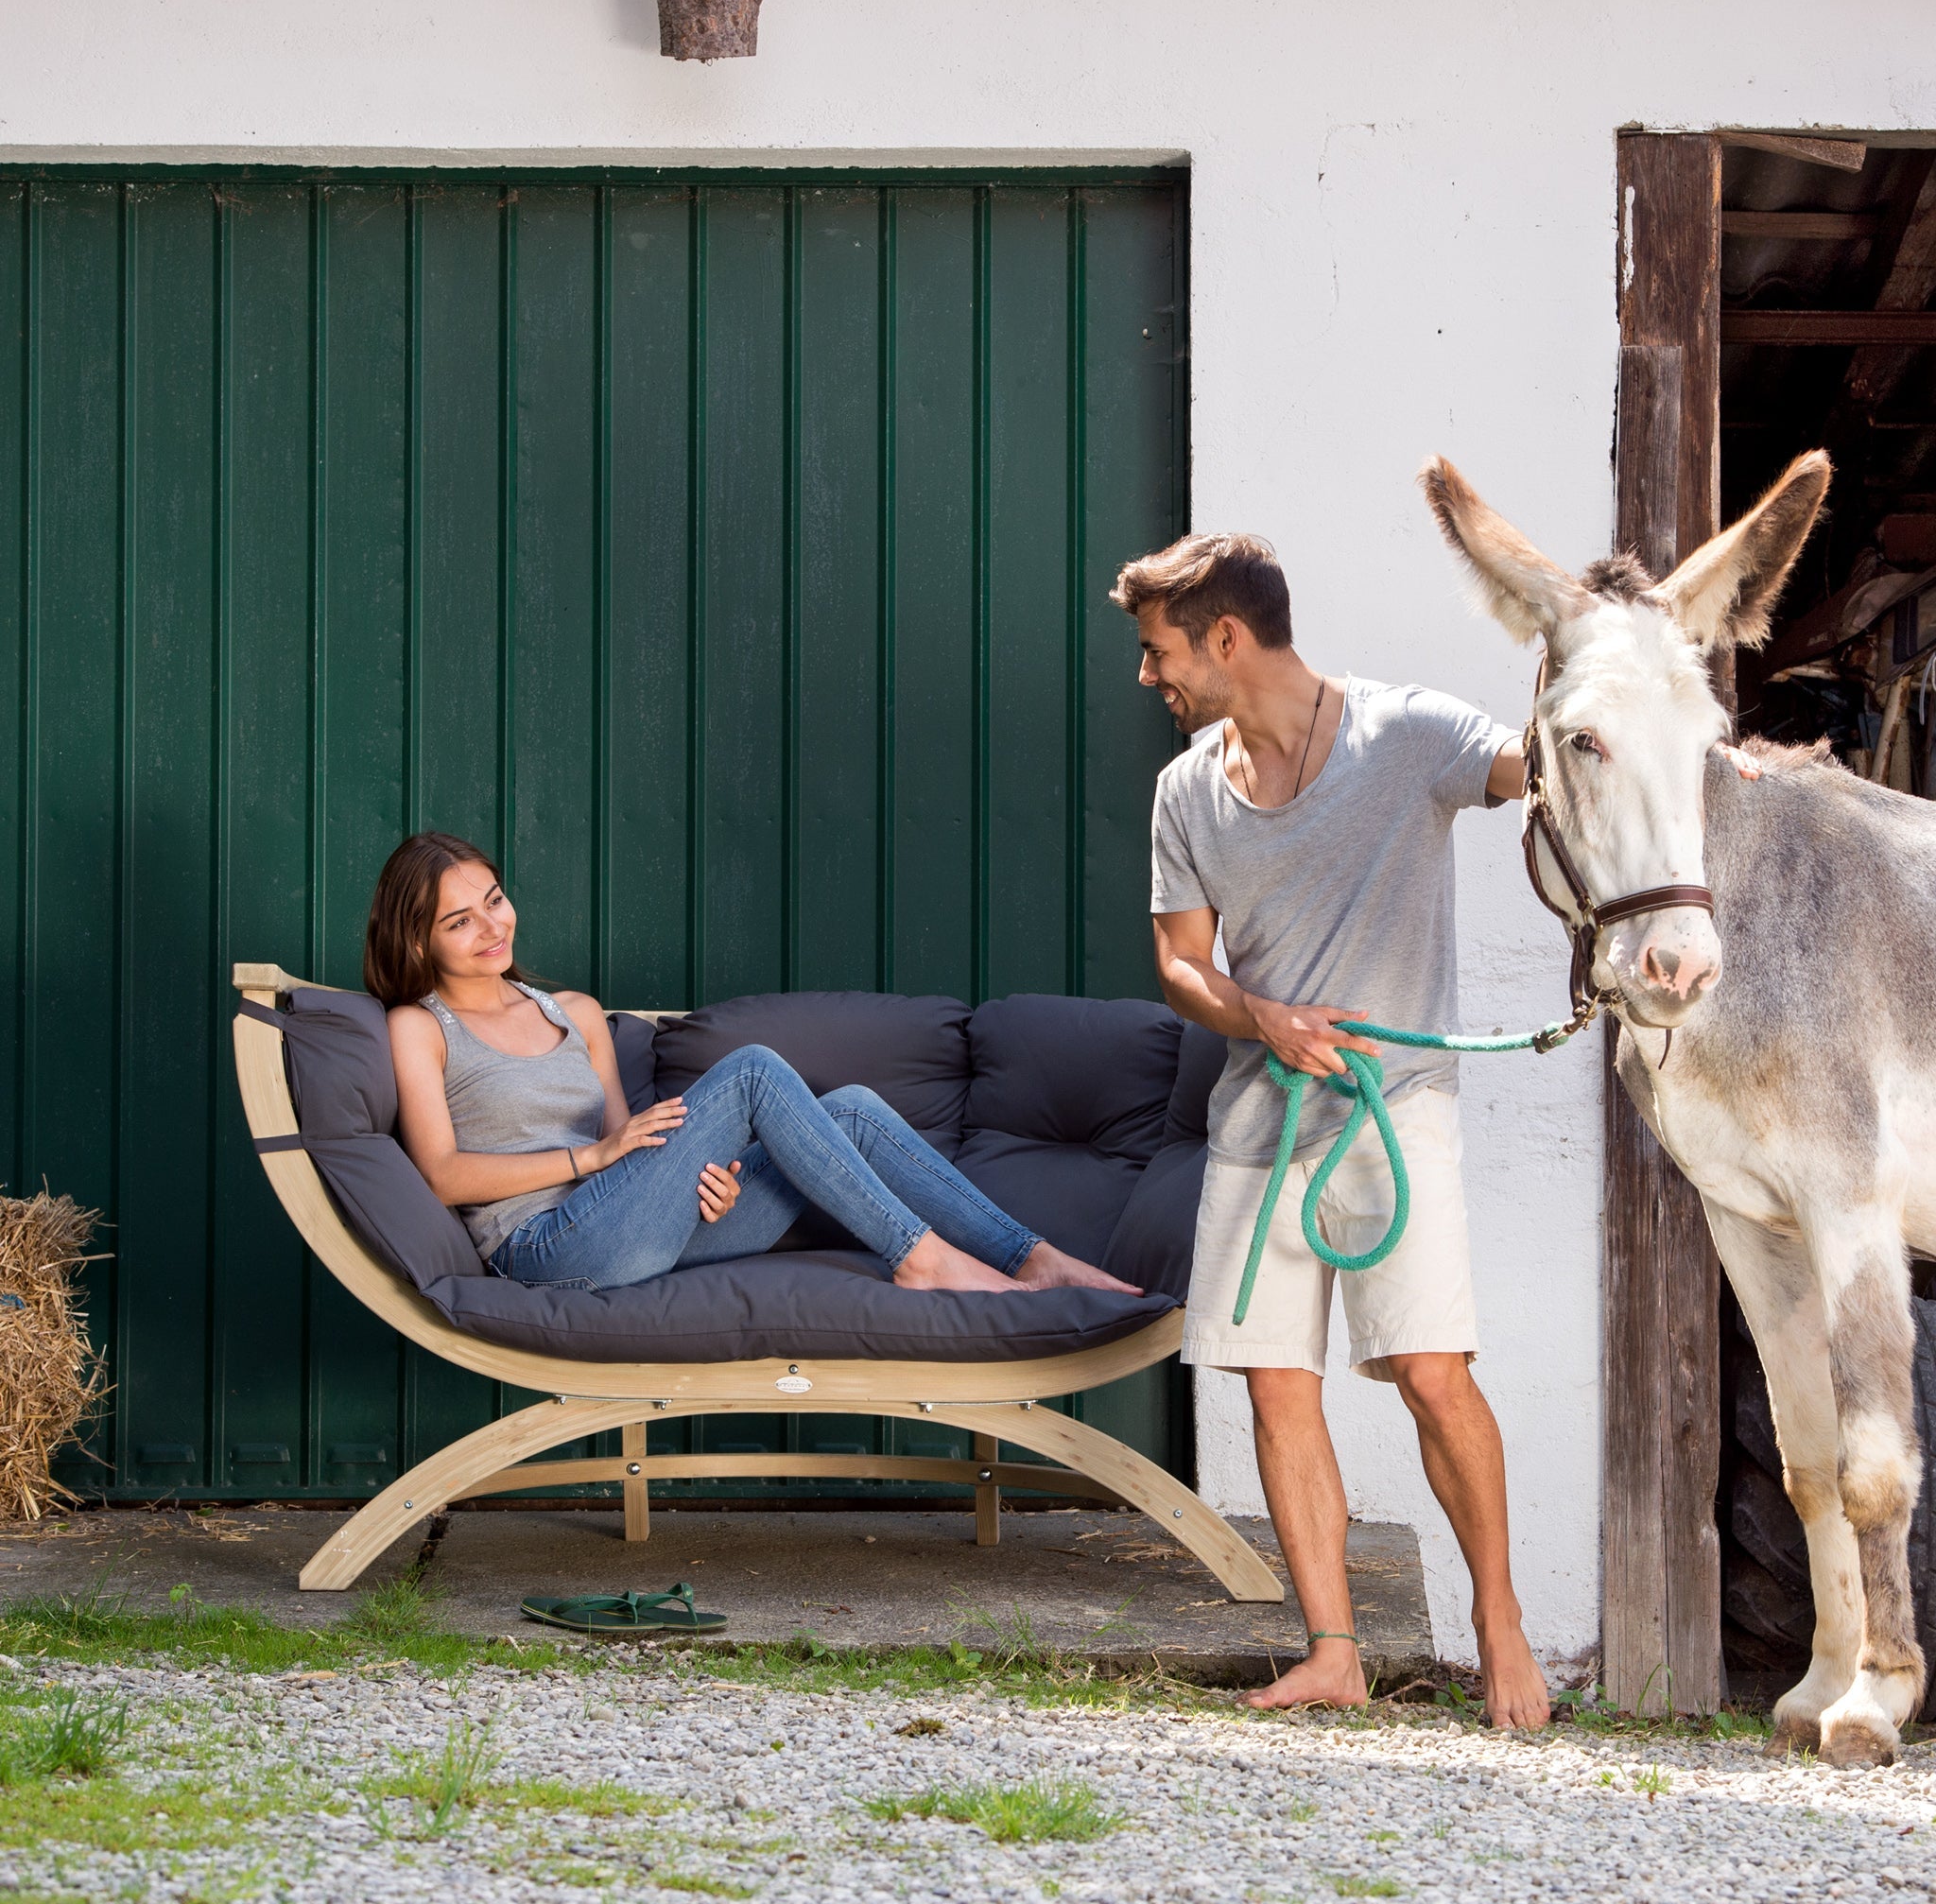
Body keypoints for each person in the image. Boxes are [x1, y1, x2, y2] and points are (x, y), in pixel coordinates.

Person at [1113, 529, 1553, 1728]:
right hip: (1259, 1122)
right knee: (1273, 1387)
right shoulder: (1187, 789)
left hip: (1391, 1109)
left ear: (1224, 637)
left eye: (1158, 654)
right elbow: (1179, 966)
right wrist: (1259, 1014)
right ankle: (1331, 1651)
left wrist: (1626, 717)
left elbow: (1539, 769)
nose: (1148, 677)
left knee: (1428, 1371)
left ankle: (1499, 1626)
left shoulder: (1405, 734)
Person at [366, 832, 1139, 1300]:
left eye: (494, 901)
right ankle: (924, 1258)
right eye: (458, 922)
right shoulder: (420, 1025)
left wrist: (707, 1176)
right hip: (542, 1248)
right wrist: (593, 1156)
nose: (490, 928)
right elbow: (440, 1174)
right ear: (417, 939)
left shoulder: (575, 1012)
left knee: (856, 1110)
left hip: (626, 1222)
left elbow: (628, 1143)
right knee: (756, 1070)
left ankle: (1035, 1260)